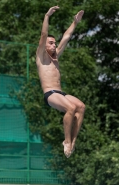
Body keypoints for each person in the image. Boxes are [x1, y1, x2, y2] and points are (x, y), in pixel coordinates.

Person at [36, 6, 85, 158]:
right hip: (50, 94)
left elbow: (66, 36)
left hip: (60, 93)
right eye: (51, 43)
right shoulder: (41, 57)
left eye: (54, 43)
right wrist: (47, 16)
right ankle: (67, 140)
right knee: (70, 108)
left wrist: (75, 23)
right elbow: (44, 34)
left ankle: (73, 143)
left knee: (81, 106)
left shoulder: (55, 57)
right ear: (44, 45)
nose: (54, 45)